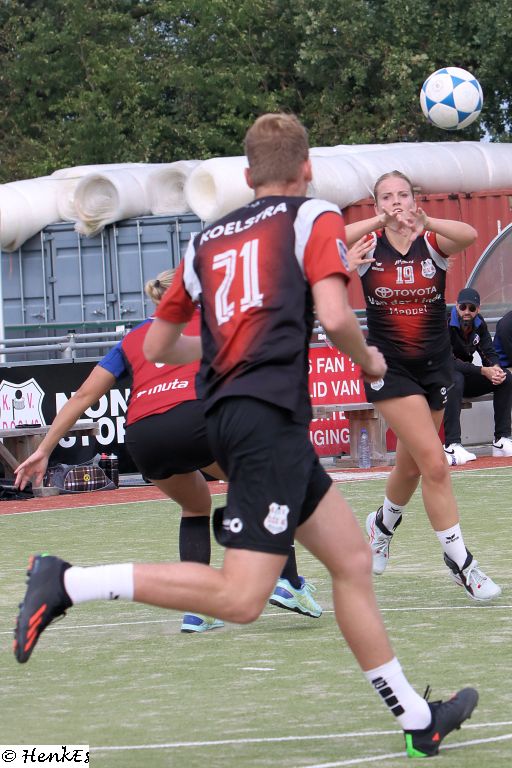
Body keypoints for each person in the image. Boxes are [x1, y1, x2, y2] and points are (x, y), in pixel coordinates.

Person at [14, 115, 478, 758]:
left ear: (246, 174)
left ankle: (417, 719)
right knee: (241, 597)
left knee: (350, 563)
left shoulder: (206, 241)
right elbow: (336, 314)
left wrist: (228, 347)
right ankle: (67, 583)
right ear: (307, 169)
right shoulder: (311, 215)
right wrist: (367, 359)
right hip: (264, 422)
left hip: (244, 418)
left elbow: (160, 345)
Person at [14, 270, 321, 630]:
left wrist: (44, 449)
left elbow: (82, 396)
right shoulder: (214, 320)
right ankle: (287, 581)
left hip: (143, 437)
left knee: (195, 504)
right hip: (197, 420)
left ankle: (197, 610)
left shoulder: (133, 338)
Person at [345, 170, 501, 601]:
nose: (396, 202)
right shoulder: (367, 245)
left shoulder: (431, 242)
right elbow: (328, 243)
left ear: (415, 201)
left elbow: (469, 234)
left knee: (411, 465)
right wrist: (378, 222)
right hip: (389, 369)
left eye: (403, 195)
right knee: (434, 463)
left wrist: (427, 221)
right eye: (386, 197)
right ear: (376, 204)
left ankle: (381, 526)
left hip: (435, 368)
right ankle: (461, 563)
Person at [443, 287, 512, 463]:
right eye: (463, 307)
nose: (467, 311)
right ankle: (452, 444)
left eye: (472, 308)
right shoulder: (443, 322)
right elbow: (448, 362)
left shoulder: (479, 323)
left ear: (478, 309)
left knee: (505, 377)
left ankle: (501, 440)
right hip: (439, 379)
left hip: (465, 376)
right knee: (455, 378)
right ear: (456, 306)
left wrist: (495, 369)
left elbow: (488, 352)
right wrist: (482, 370)